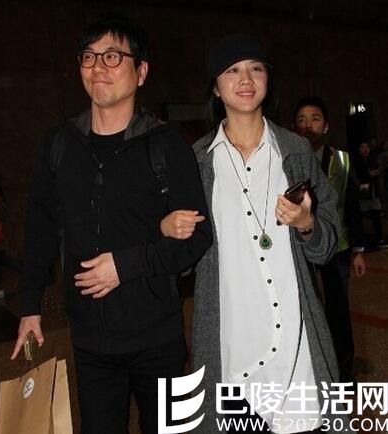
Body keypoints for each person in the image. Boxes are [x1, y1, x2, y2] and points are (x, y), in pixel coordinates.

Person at [11, 15, 212, 434]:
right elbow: (40, 229)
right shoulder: (59, 145)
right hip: (91, 343)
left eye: (112, 56)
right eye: (89, 57)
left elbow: (197, 238)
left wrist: (125, 265)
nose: (98, 67)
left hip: (158, 338)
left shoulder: (166, 146)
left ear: (141, 72)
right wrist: (30, 306)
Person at [161, 34, 349, 433]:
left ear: (267, 80)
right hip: (232, 346)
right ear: (215, 87)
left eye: (256, 68)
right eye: (232, 70)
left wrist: (306, 224)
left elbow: (327, 245)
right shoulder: (197, 162)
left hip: (296, 347)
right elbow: (180, 264)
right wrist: (169, 231)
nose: (246, 79)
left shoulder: (295, 152)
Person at [293, 96, 366, 384]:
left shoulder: (342, 160)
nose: (307, 125)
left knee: (338, 310)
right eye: (301, 119)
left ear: (326, 126)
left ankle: (344, 373)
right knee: (306, 310)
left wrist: (359, 249)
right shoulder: (289, 160)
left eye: (315, 119)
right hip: (301, 247)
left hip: (338, 247)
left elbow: (352, 207)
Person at [354, 141, 386, 248]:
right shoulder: (356, 162)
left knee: (376, 215)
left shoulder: (374, 160)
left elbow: (379, 172)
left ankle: (379, 239)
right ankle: (364, 240)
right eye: (362, 147)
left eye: (367, 147)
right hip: (363, 193)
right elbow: (357, 176)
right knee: (362, 217)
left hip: (374, 192)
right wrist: (368, 174)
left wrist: (375, 173)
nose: (365, 149)